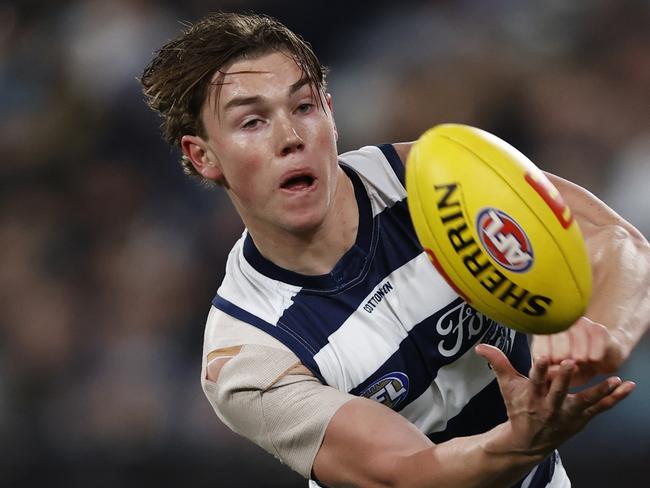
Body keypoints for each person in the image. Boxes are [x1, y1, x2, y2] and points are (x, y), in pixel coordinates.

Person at [140, 12, 650, 488]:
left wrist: (605, 334)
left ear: (331, 113)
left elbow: (615, 240)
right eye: (252, 122)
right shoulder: (249, 353)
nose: (292, 137)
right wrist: (521, 442)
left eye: (303, 106)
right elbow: (406, 473)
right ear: (203, 156)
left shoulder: (433, 179)